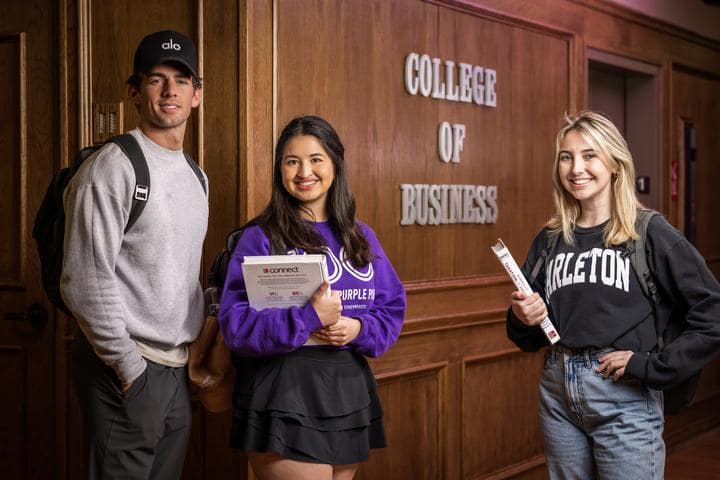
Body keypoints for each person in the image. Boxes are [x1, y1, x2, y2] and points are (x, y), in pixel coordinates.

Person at [506, 111, 720, 479]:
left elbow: (712, 314)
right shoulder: (550, 239)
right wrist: (523, 317)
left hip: (625, 394)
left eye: (590, 155)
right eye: (566, 157)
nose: (576, 168)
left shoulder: (649, 233)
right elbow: (527, 334)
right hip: (557, 391)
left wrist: (650, 367)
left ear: (615, 164)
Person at [218, 115, 406, 480]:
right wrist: (308, 317)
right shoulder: (261, 237)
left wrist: (357, 329)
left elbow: (391, 308)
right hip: (281, 388)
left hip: (346, 388)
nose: (305, 171)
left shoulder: (360, 237)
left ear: (335, 163)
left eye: (316, 159)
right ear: (279, 170)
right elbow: (235, 325)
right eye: (292, 161)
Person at [61, 30, 207, 479]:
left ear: (197, 94)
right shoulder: (113, 166)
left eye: (181, 81)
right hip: (127, 367)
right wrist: (130, 370)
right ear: (134, 92)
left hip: (176, 368)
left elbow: (180, 276)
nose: (169, 92)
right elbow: (84, 282)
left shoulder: (196, 177)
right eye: (156, 80)